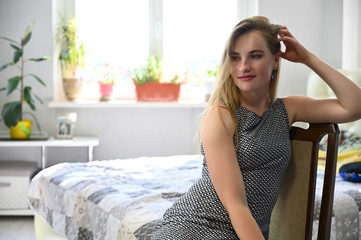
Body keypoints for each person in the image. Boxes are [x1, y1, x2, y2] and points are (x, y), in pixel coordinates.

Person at [151, 16, 361, 240]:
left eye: (256, 56)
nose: (243, 67)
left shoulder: (287, 109)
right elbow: (236, 204)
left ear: (276, 60)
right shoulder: (221, 116)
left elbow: (354, 106)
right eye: (235, 58)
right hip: (197, 225)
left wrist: (307, 58)